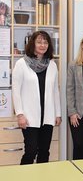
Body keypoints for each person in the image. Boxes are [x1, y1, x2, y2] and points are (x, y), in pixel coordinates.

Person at [12, 30, 62, 165]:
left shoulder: (52, 65)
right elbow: (16, 91)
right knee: (31, 150)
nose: (42, 45)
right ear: (32, 44)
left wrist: (58, 113)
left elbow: (55, 91)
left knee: (44, 151)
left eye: (45, 42)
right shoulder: (22, 64)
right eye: (39, 42)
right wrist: (20, 114)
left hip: (48, 115)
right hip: (29, 116)